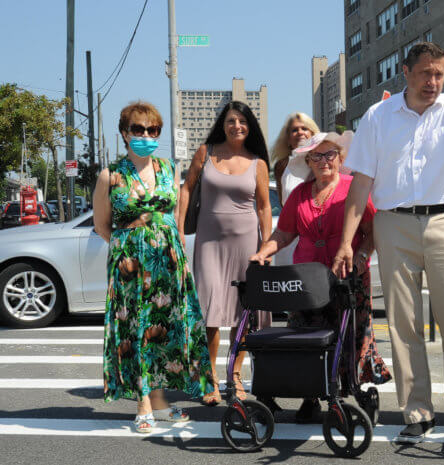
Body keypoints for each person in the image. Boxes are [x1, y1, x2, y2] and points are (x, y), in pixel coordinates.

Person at [332, 42, 444, 444]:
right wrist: (346, 242)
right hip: (394, 226)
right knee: (403, 324)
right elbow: (361, 183)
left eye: (439, 74)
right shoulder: (378, 117)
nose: (433, 82)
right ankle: (417, 411)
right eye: (425, 73)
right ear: (406, 73)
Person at [250, 131, 391, 423]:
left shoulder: (354, 188)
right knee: (306, 337)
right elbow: (284, 232)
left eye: (330, 155)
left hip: (347, 276)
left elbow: (372, 230)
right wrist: (263, 252)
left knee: (349, 337)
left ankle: (351, 393)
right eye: (317, 156)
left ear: (340, 159)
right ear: (308, 161)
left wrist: (363, 257)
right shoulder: (301, 193)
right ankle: (310, 397)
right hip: (306, 279)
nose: (324, 161)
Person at [94, 101, 215, 433]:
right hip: (130, 266)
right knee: (136, 329)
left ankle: (160, 402)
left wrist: (174, 250)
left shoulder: (168, 168)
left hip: (168, 261)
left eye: (152, 130)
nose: (146, 135)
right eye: (138, 129)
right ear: (124, 133)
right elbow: (102, 225)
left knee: (165, 330)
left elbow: (176, 218)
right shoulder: (110, 174)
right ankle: (143, 402)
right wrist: (130, 246)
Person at [177, 101, 272, 405]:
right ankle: (209, 379)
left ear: (250, 126)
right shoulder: (206, 152)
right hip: (209, 243)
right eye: (231, 121)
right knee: (210, 313)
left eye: (243, 121)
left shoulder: (257, 162)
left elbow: (264, 206)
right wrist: (178, 230)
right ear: (223, 123)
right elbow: (187, 189)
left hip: (246, 244)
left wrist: (267, 246)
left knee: (243, 315)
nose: (237, 126)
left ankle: (235, 376)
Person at [269, 112, 320, 266]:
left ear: (312, 134)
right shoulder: (281, 165)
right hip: (289, 236)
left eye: (305, 128)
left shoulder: (321, 162)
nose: (300, 133)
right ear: (288, 139)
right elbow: (283, 202)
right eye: (294, 130)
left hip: (316, 232)